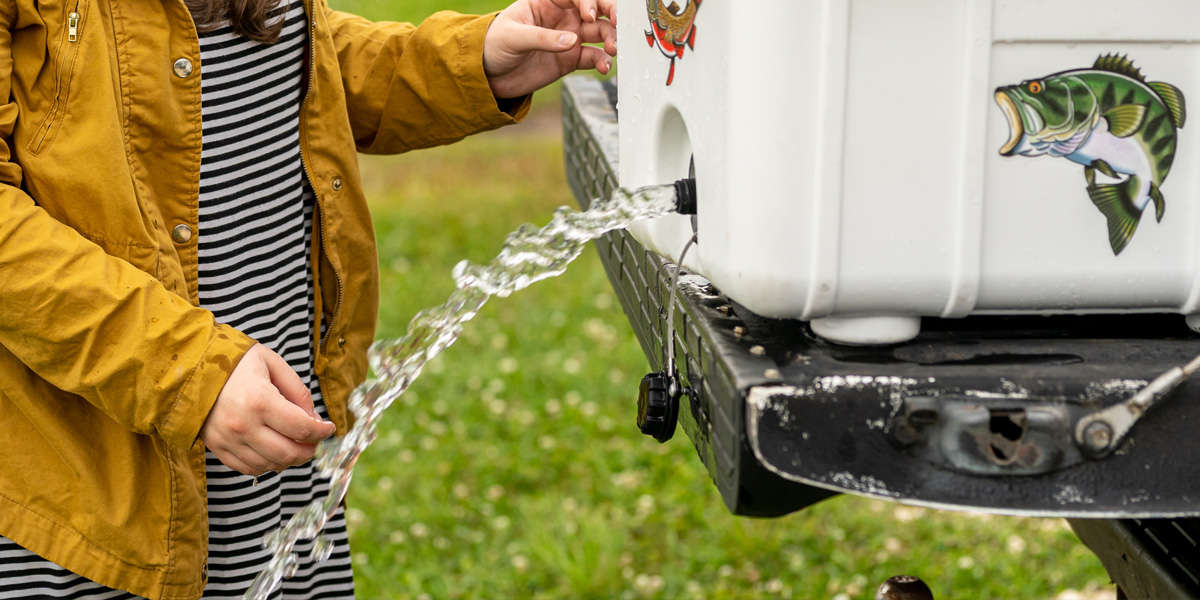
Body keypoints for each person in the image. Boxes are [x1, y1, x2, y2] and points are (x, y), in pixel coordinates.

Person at [0, 0, 616, 597]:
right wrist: (185, 369)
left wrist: (470, 62)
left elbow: (289, 55)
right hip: (83, 498)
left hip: (269, 467)